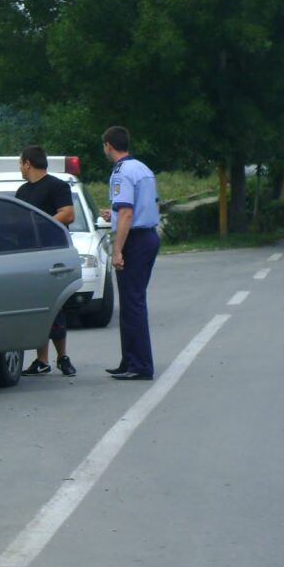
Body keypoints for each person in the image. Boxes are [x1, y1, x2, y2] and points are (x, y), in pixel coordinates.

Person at [100, 126, 160, 381]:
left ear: (108, 146)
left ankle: (140, 364)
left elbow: (126, 213)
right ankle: (130, 359)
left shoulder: (121, 173)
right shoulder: (142, 168)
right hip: (147, 235)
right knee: (130, 302)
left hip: (134, 239)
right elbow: (133, 208)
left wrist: (117, 251)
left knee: (132, 302)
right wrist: (111, 214)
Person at [14, 145, 77, 377]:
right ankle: (42, 360)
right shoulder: (22, 192)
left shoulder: (57, 186)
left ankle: (63, 357)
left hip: (54, 255)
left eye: (21, 163)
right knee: (39, 308)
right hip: (31, 257)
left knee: (56, 306)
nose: (20, 168)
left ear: (28, 163)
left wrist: (40, 225)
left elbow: (68, 214)